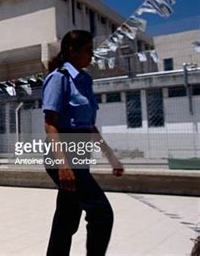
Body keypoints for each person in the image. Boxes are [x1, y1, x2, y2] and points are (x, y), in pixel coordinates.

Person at [42, 30, 124, 256]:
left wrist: (111, 157)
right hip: (63, 154)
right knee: (101, 213)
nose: (92, 55)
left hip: (80, 153)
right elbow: (50, 124)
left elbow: (89, 126)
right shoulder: (58, 78)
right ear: (72, 51)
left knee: (67, 218)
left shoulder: (85, 81)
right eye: (88, 50)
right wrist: (64, 166)